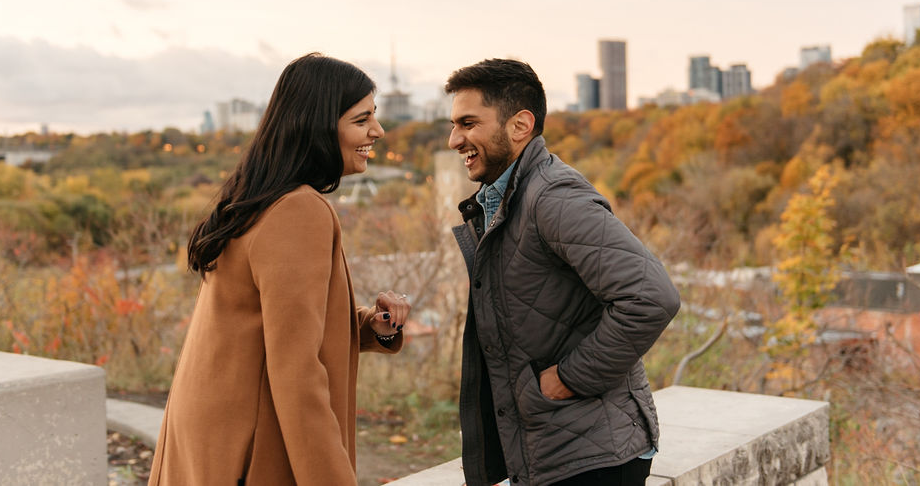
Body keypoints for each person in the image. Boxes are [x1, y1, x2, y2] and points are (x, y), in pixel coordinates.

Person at [149, 53, 411, 486]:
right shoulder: (298, 210)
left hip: (210, 438)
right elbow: (297, 371)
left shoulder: (254, 197)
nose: (377, 131)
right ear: (320, 125)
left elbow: (270, 325)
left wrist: (372, 326)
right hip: (249, 450)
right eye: (362, 119)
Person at [444, 58, 680, 486]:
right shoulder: (507, 200)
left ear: (520, 125)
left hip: (593, 456)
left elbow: (651, 297)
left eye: (468, 123)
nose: (454, 139)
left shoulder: (553, 196)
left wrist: (568, 379)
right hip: (555, 451)